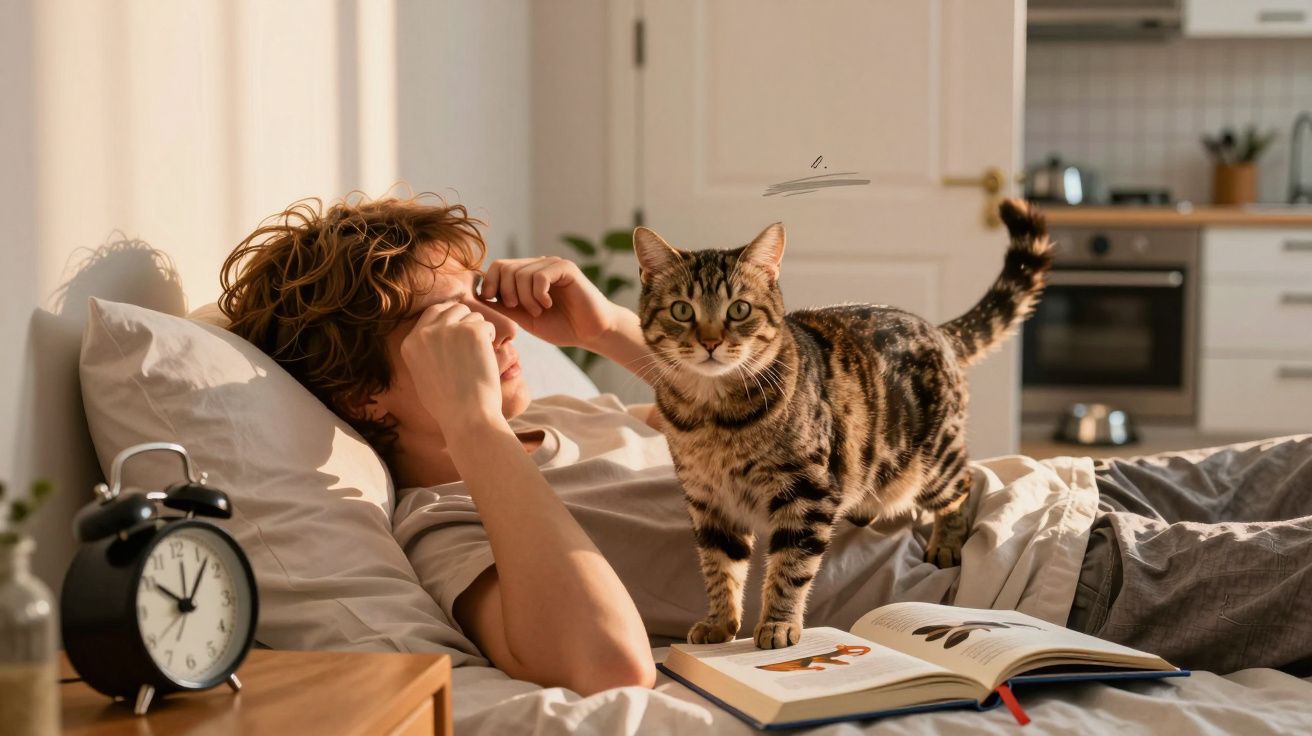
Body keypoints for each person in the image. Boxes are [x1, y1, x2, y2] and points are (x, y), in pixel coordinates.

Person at [219, 194, 1312, 696]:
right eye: (453, 320)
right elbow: (604, 660)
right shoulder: (448, 520)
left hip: (1042, 486)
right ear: (367, 393)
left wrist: (601, 329)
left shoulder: (557, 423)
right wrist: (470, 425)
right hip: (1037, 574)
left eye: (484, 301)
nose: (493, 329)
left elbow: (743, 409)